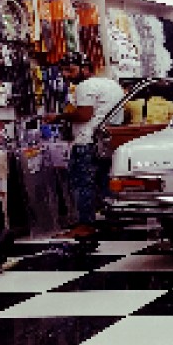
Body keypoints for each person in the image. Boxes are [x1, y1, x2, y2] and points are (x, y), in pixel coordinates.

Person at [47, 53, 124, 237]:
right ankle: (112, 222)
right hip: (106, 142)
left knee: (82, 183)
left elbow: (84, 115)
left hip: (87, 141)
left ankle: (85, 225)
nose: (66, 75)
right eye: (63, 71)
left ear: (86, 68)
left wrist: (58, 117)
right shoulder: (111, 84)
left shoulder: (84, 86)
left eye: (70, 70)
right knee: (105, 184)